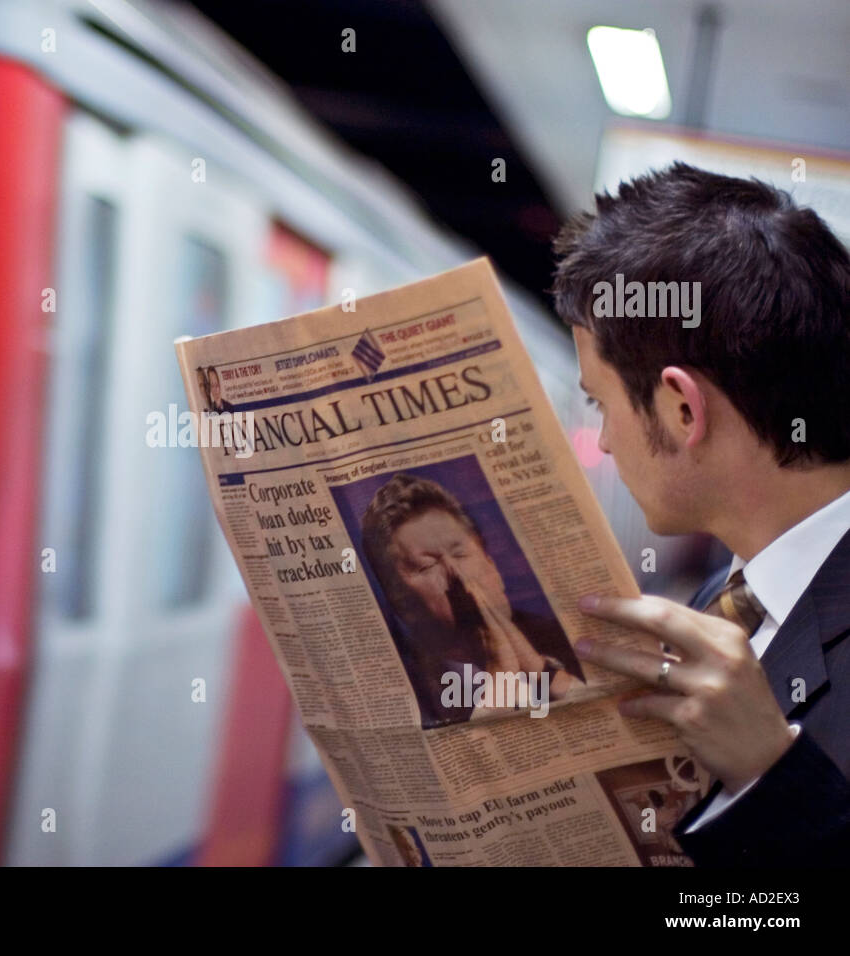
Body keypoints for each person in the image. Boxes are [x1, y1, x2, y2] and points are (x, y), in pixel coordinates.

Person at [552, 162, 850, 866]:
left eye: (601, 404)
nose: (602, 440)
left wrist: (771, 774)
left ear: (684, 409)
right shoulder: (729, 595)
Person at [361, 473, 584, 724]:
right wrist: (501, 675)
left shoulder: (564, 636)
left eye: (460, 553)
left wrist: (539, 669)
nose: (456, 575)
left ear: (493, 566)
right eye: (427, 566)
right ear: (400, 602)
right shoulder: (403, 691)